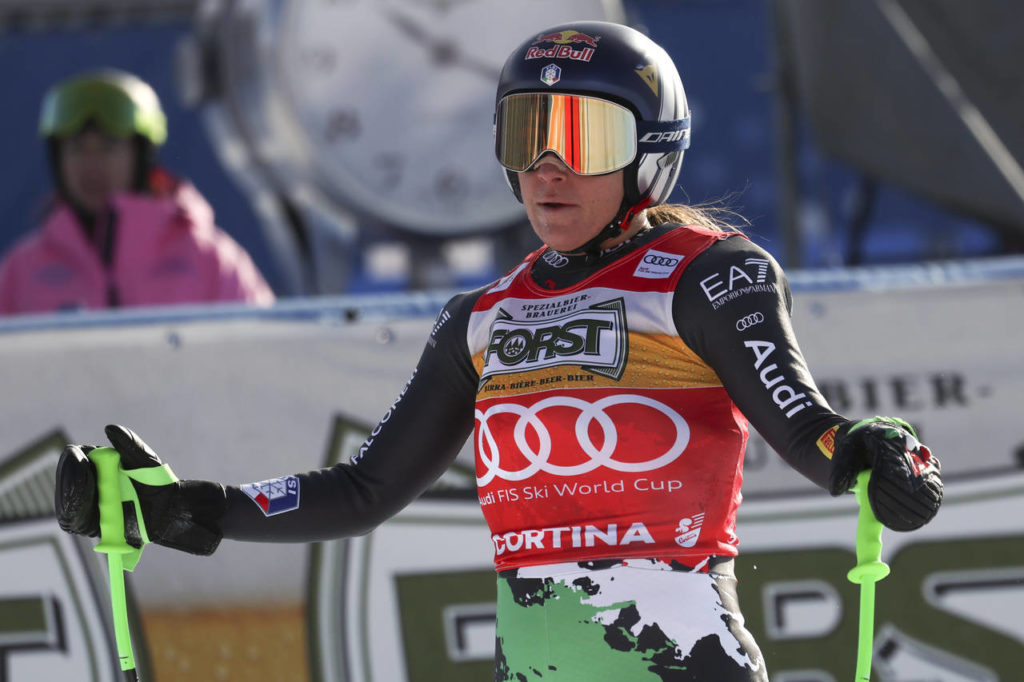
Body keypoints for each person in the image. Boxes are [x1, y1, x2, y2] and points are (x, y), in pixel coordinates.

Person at [54, 22, 942, 681]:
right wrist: (190, 509)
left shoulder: (705, 275)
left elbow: (810, 431)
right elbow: (363, 490)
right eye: (526, 134)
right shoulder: (480, 318)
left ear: (650, 153)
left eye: (584, 138)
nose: (548, 166)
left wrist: (879, 452)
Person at [0, 69, 274, 315]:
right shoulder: (19, 272)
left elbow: (263, 347)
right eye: (76, 148)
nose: (91, 164)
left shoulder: (213, 261)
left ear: (141, 155)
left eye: (109, 147)